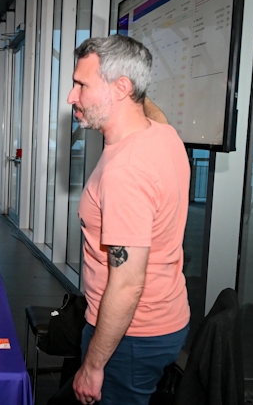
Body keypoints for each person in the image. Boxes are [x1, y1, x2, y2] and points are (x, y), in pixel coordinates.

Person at [68, 35, 190, 405]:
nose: (72, 97)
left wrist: (93, 366)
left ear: (121, 88)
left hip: (130, 335)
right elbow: (152, 112)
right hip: (163, 318)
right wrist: (135, 85)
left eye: (82, 85)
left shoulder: (126, 172)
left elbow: (127, 284)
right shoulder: (164, 135)